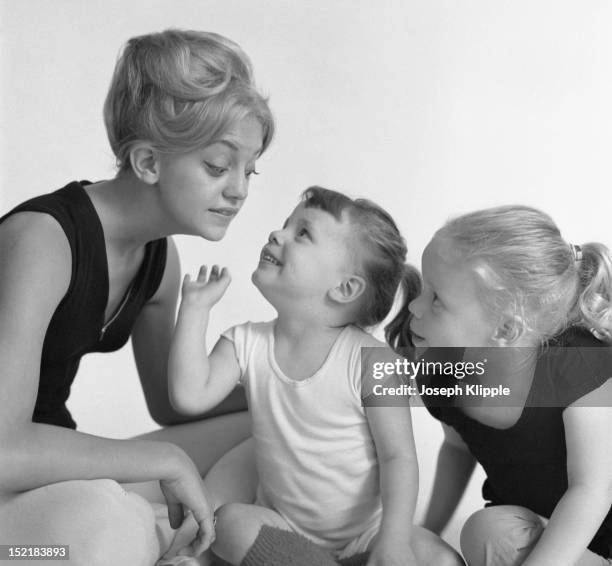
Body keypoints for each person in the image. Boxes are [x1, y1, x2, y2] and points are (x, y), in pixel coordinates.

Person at [0, 28, 274, 566]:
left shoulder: (158, 258)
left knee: (272, 430)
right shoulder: (44, 241)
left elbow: (174, 402)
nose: (239, 189)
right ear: (148, 162)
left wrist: (290, 378)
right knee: (106, 520)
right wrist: (165, 460)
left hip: (46, 470)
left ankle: (190, 543)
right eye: (219, 167)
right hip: (11, 476)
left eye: (249, 169)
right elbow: (2, 450)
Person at [168, 186, 465, 566]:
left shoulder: (372, 360)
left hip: (368, 535)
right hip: (285, 528)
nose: (277, 234)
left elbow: (399, 458)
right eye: (285, 225)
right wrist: (194, 310)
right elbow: (190, 395)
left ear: (345, 289)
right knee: (228, 524)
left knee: (442, 559)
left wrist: (392, 541)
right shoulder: (246, 342)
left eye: (302, 233)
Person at [391, 205, 612, 566]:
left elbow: (592, 490)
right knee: (485, 532)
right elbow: (457, 449)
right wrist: (428, 532)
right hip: (541, 533)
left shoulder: (580, 365)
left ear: (506, 329)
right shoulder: (440, 372)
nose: (415, 306)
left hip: (599, 538)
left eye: (437, 300)